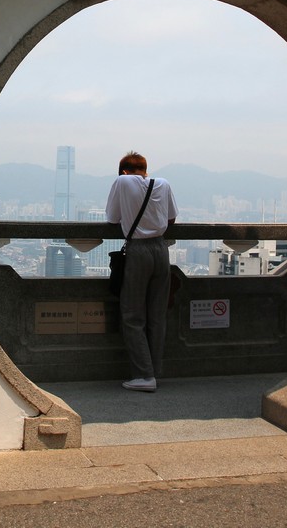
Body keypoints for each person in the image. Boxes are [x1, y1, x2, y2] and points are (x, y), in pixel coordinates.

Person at [105, 151, 177, 392]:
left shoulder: (122, 181)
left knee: (133, 315)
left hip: (138, 251)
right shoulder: (163, 183)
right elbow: (171, 219)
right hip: (161, 249)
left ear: (124, 171)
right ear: (145, 170)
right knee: (157, 314)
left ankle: (144, 375)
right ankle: (154, 370)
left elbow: (112, 217)